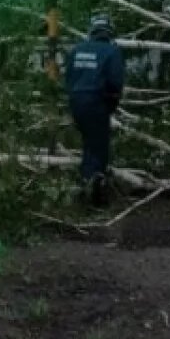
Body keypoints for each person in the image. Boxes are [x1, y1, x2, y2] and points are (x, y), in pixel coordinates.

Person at [65, 14, 125, 206]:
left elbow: (68, 79)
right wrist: (111, 107)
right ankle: (95, 196)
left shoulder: (77, 50)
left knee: (88, 145)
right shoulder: (112, 52)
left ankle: (84, 183)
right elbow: (115, 84)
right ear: (108, 32)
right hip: (97, 103)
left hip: (76, 102)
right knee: (99, 148)